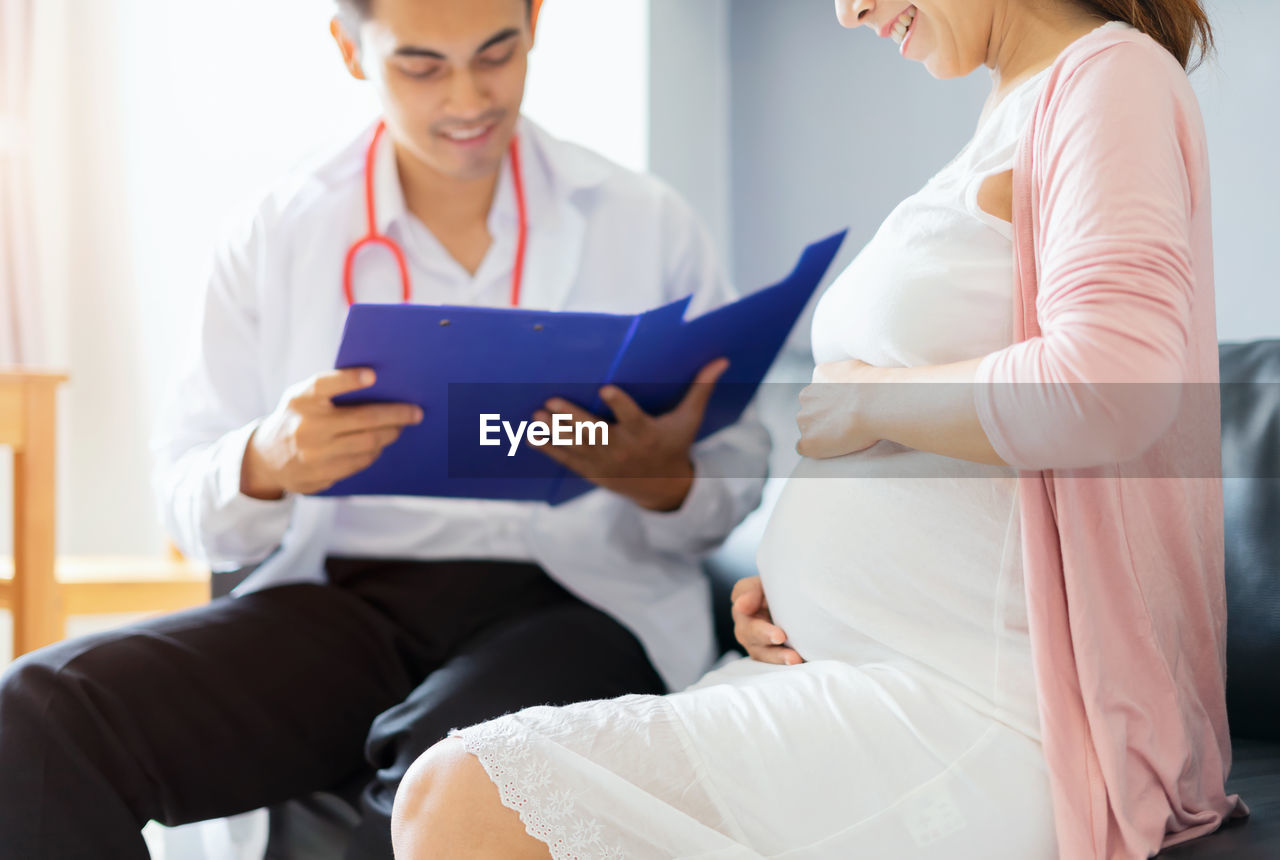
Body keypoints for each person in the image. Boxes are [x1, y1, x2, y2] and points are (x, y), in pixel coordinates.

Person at [391, 0, 1250, 857]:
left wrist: (869, 402)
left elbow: (1113, 387)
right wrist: (806, 592)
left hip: (977, 712)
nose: (848, 12)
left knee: (455, 797)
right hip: (859, 672)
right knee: (446, 794)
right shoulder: (1013, 104)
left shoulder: (1110, 77)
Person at [0, 0, 770, 858]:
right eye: (422, 66)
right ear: (349, 49)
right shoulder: (281, 228)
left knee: (441, 769)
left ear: (536, 22)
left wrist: (666, 481)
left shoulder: (645, 221)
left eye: (496, 54)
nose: (469, 97)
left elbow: (736, 470)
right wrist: (266, 459)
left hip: (579, 598)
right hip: (351, 605)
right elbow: (184, 493)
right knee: (40, 707)